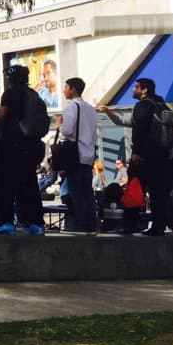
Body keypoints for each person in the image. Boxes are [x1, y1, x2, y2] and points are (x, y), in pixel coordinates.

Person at [99, 77, 173, 236]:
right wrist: (109, 112)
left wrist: (136, 152)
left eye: (136, 87)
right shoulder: (162, 105)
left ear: (144, 90)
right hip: (162, 157)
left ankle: (129, 224)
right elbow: (126, 121)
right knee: (158, 193)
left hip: (144, 158)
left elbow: (139, 130)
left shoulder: (143, 105)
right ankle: (159, 226)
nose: (133, 90)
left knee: (134, 190)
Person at [0, 64, 46, 235]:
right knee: (29, 184)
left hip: (12, 146)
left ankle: (6, 222)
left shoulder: (11, 93)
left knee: (5, 185)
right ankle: (34, 222)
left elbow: (2, 118)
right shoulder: (32, 94)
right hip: (32, 145)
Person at [57, 77, 99, 233]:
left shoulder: (71, 107)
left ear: (73, 89)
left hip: (75, 155)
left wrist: (60, 126)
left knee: (76, 192)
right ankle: (91, 225)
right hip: (88, 155)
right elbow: (94, 134)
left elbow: (67, 130)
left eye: (66, 87)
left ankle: (79, 226)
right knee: (88, 192)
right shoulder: (90, 108)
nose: (64, 90)